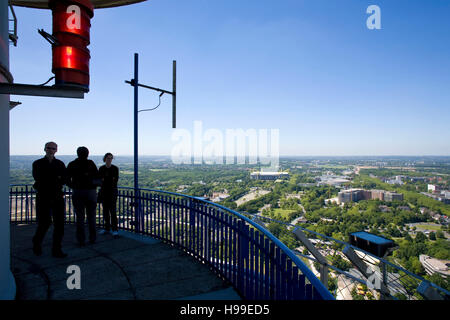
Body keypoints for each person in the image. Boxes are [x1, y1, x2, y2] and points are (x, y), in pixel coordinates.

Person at [32, 142, 68, 258]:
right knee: (44, 223)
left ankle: (56, 250)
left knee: (59, 225)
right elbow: (38, 178)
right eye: (49, 148)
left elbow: (63, 179)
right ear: (44, 149)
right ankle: (37, 243)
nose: (51, 150)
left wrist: (51, 178)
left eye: (53, 148)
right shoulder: (37, 163)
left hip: (57, 197)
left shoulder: (60, 164)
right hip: (44, 197)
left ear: (56, 150)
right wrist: (56, 178)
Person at [67, 146, 99, 246]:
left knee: (80, 218)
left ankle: (81, 240)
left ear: (77, 153)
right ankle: (92, 239)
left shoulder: (72, 164)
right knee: (91, 217)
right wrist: (93, 186)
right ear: (87, 153)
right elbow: (97, 177)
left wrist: (74, 186)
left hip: (78, 192)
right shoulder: (91, 163)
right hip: (90, 192)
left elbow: (66, 179)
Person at [98, 153, 119, 237]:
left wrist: (105, 180)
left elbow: (115, 181)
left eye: (111, 158)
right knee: (105, 211)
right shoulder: (101, 168)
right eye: (108, 158)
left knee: (113, 212)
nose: (109, 160)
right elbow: (100, 180)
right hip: (104, 193)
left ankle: (114, 229)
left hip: (112, 193)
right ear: (105, 159)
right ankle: (107, 228)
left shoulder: (115, 168)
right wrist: (109, 180)